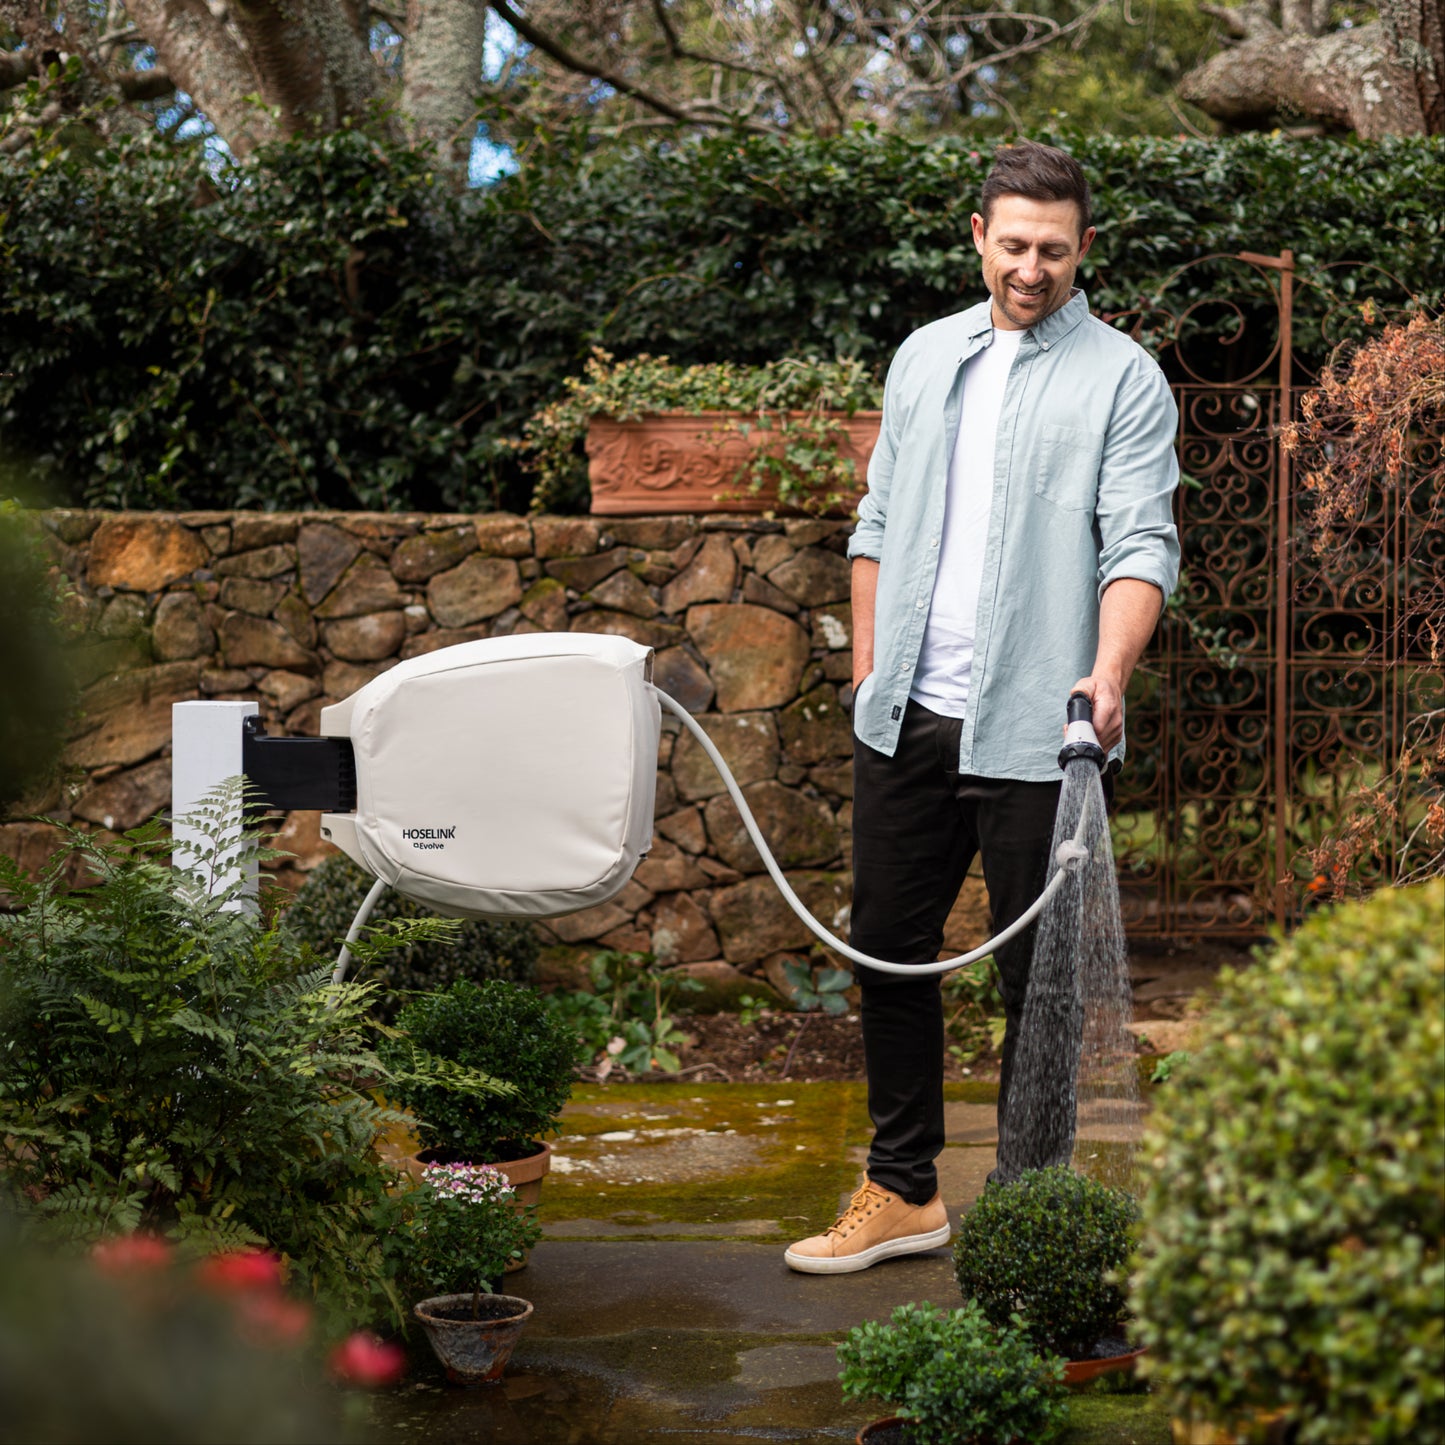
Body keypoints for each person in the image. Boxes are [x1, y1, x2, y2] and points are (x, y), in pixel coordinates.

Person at [784, 140, 1180, 1275]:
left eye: (1052, 250)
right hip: (907, 710)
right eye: (1011, 244)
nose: (1030, 267)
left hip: (1036, 729)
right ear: (976, 236)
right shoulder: (921, 358)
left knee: (1036, 982)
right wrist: (867, 666)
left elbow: (1140, 540)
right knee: (886, 950)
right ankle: (903, 1189)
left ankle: (1022, 1214)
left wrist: (1104, 674)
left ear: (1082, 249)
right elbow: (873, 522)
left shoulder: (1120, 376)